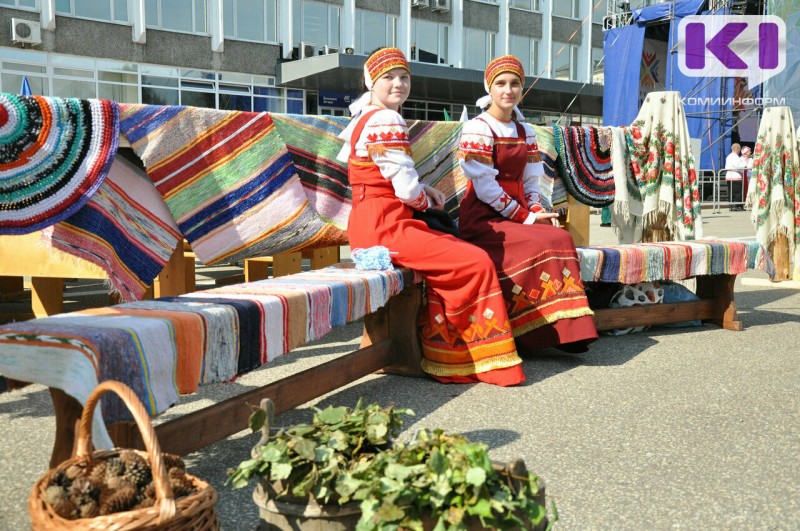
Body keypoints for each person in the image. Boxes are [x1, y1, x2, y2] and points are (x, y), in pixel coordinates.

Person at [337, 48, 525, 386]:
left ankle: (445, 351)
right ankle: (469, 356)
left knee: (452, 246)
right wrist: (426, 199)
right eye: (388, 78)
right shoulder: (387, 120)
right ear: (371, 82)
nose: (398, 84)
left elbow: (381, 176)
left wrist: (424, 190)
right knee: (474, 260)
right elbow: (407, 193)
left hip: (373, 221)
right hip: (387, 224)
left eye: (404, 77)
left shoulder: (365, 118)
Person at [457, 55, 597, 353]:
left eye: (515, 84)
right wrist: (527, 217)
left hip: (516, 214)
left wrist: (535, 210)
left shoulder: (526, 131)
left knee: (559, 235)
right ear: (489, 88)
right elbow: (485, 189)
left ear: (522, 88)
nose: (508, 90)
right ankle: (540, 330)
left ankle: (563, 328)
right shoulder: (478, 128)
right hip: (485, 218)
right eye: (501, 84)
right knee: (549, 240)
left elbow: (533, 182)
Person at [724, 143, 746, 211]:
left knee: (731, 191)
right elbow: (738, 166)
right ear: (737, 149)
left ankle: (732, 205)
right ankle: (737, 205)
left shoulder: (729, 156)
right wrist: (744, 167)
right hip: (735, 176)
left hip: (729, 176)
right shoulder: (735, 157)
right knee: (737, 192)